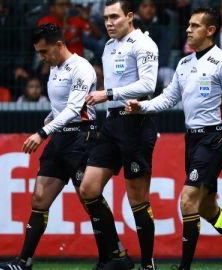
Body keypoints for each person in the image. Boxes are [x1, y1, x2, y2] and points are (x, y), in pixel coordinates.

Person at [126, 7, 222, 270]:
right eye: (188, 25)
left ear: (210, 31)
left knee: (187, 200)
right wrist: (142, 106)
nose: (188, 29)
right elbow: (169, 98)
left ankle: (184, 267)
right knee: (207, 208)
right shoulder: (184, 63)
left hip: (215, 138)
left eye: (194, 25)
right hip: (192, 140)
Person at [0, 23, 129, 270]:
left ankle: (115, 256)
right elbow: (61, 107)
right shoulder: (54, 68)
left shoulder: (82, 68)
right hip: (59, 138)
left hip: (81, 138)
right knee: (39, 198)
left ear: (59, 45)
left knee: (90, 198)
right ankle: (23, 263)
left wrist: (42, 133)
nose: (41, 58)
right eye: (38, 53)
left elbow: (75, 109)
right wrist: (50, 120)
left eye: (44, 52)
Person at [82, 1, 159, 269]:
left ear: (129, 16)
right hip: (111, 123)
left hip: (135, 123)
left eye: (114, 17)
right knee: (88, 189)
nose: (109, 23)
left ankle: (148, 264)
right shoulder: (109, 46)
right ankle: (116, 255)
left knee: (137, 200)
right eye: (105, 18)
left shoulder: (144, 44)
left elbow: (149, 84)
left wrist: (108, 94)